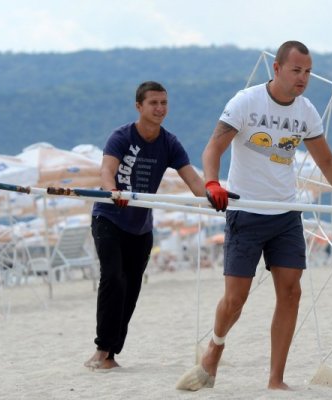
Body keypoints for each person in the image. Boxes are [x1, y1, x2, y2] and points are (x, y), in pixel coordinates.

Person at [176, 41, 332, 391]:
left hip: (286, 213)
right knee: (236, 300)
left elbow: (326, 161)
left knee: (291, 293)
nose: (303, 78)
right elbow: (213, 147)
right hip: (245, 212)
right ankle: (215, 347)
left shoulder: (306, 111)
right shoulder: (246, 102)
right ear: (276, 69)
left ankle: (276, 379)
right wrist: (212, 183)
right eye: (296, 71)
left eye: (307, 72)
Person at [84, 81, 206, 371]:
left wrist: (214, 197)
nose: (160, 109)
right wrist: (113, 191)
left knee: (132, 288)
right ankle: (101, 349)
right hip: (109, 218)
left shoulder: (169, 143)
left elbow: (193, 180)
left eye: (164, 103)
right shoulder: (121, 137)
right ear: (139, 106)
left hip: (140, 227)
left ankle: (111, 353)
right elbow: (107, 171)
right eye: (153, 103)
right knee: (113, 278)